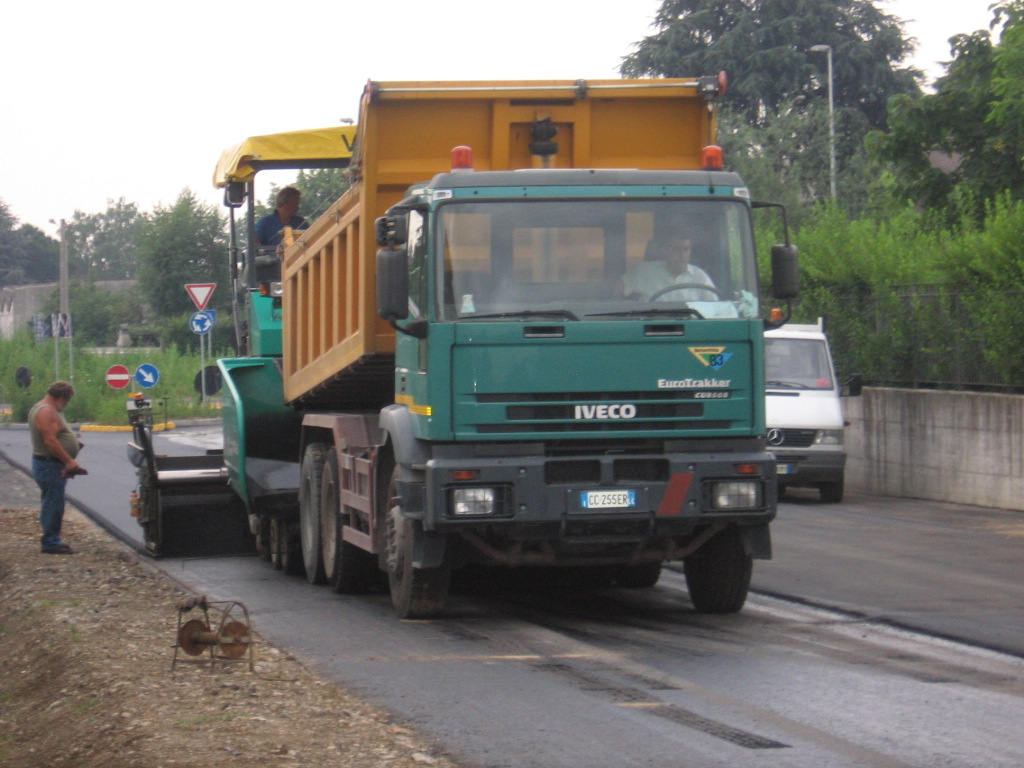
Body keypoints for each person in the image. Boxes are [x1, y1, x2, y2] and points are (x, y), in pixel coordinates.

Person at [29, 381, 86, 555]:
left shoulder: (44, 408)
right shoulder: (46, 411)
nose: (66, 404)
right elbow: (50, 441)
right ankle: (51, 543)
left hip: (50, 464)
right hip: (49, 465)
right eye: (66, 401)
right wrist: (69, 461)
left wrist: (71, 440)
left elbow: (56, 435)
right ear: (61, 397)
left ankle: (52, 540)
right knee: (53, 503)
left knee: (53, 501)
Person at [623, 235, 718, 302]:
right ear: (665, 250)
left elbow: (715, 308)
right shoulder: (644, 271)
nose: (682, 255)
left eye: (686, 249)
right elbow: (617, 293)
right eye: (676, 249)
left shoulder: (700, 277)